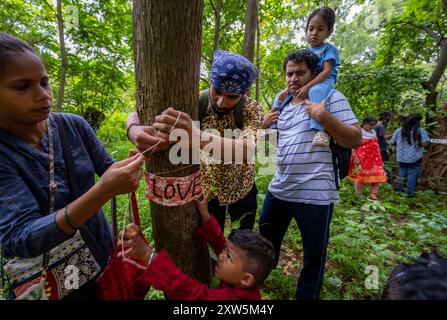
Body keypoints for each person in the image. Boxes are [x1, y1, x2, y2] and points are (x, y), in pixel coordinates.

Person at [0, 33, 144, 299]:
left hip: (101, 258)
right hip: (50, 282)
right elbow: (20, 237)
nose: (42, 95)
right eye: (22, 87)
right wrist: (102, 191)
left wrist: (135, 160)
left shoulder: (72, 126)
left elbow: (109, 168)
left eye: (44, 82)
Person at [258, 49, 362, 300]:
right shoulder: (281, 105)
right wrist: (263, 127)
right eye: (289, 74)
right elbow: (269, 150)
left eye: (300, 73)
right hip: (280, 188)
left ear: (314, 73)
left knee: (313, 258)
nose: (293, 78)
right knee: (263, 246)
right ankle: (253, 289)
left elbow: (356, 138)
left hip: (315, 194)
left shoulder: (330, 97)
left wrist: (323, 117)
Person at [126, 50, 266, 232]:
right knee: (211, 238)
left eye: (231, 97)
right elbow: (138, 113)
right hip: (208, 190)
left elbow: (247, 150)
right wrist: (133, 130)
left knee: (242, 240)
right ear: (211, 83)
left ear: (243, 94)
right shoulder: (197, 100)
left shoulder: (251, 109)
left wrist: (195, 136)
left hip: (241, 186)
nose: (221, 103)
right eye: (217, 92)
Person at [117, 194, 275, 300]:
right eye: (226, 251)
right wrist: (205, 215)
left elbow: (190, 291)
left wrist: (148, 254)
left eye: (228, 257)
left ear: (246, 279)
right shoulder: (243, 280)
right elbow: (221, 244)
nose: (221, 255)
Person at [271, 7, 341, 148]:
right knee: (281, 95)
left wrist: (307, 86)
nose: (314, 33)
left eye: (320, 29)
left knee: (314, 92)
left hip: (325, 82)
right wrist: (288, 89)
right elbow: (299, 73)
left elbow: (327, 71)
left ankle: (320, 131)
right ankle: (273, 127)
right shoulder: (307, 52)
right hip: (309, 83)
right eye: (311, 29)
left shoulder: (329, 49)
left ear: (329, 32)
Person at [390, 113, 430, 197]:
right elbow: (425, 143)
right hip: (414, 157)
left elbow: (392, 142)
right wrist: (417, 143)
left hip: (401, 157)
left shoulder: (399, 130)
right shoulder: (420, 130)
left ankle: (399, 192)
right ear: (418, 121)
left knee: (401, 173)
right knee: (412, 174)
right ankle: (410, 194)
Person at [348, 116, 387, 201]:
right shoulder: (358, 132)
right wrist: (355, 157)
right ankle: (357, 194)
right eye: (371, 124)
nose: (372, 126)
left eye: (374, 124)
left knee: (377, 176)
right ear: (365, 124)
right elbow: (353, 145)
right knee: (361, 176)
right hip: (362, 158)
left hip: (375, 159)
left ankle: (373, 194)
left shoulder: (373, 132)